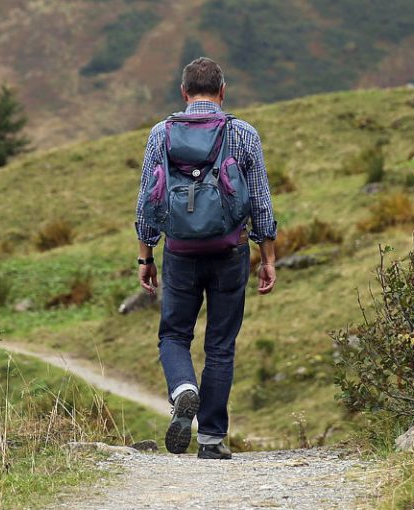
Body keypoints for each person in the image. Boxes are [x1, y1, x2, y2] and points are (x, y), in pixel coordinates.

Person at [134, 57, 277, 459]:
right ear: (222, 91)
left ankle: (183, 389)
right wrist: (267, 257)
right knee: (220, 345)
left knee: (174, 335)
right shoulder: (243, 134)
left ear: (183, 93)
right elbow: (261, 202)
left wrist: (146, 256)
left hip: (179, 252)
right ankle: (212, 439)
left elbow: (147, 199)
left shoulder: (161, 133)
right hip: (230, 250)